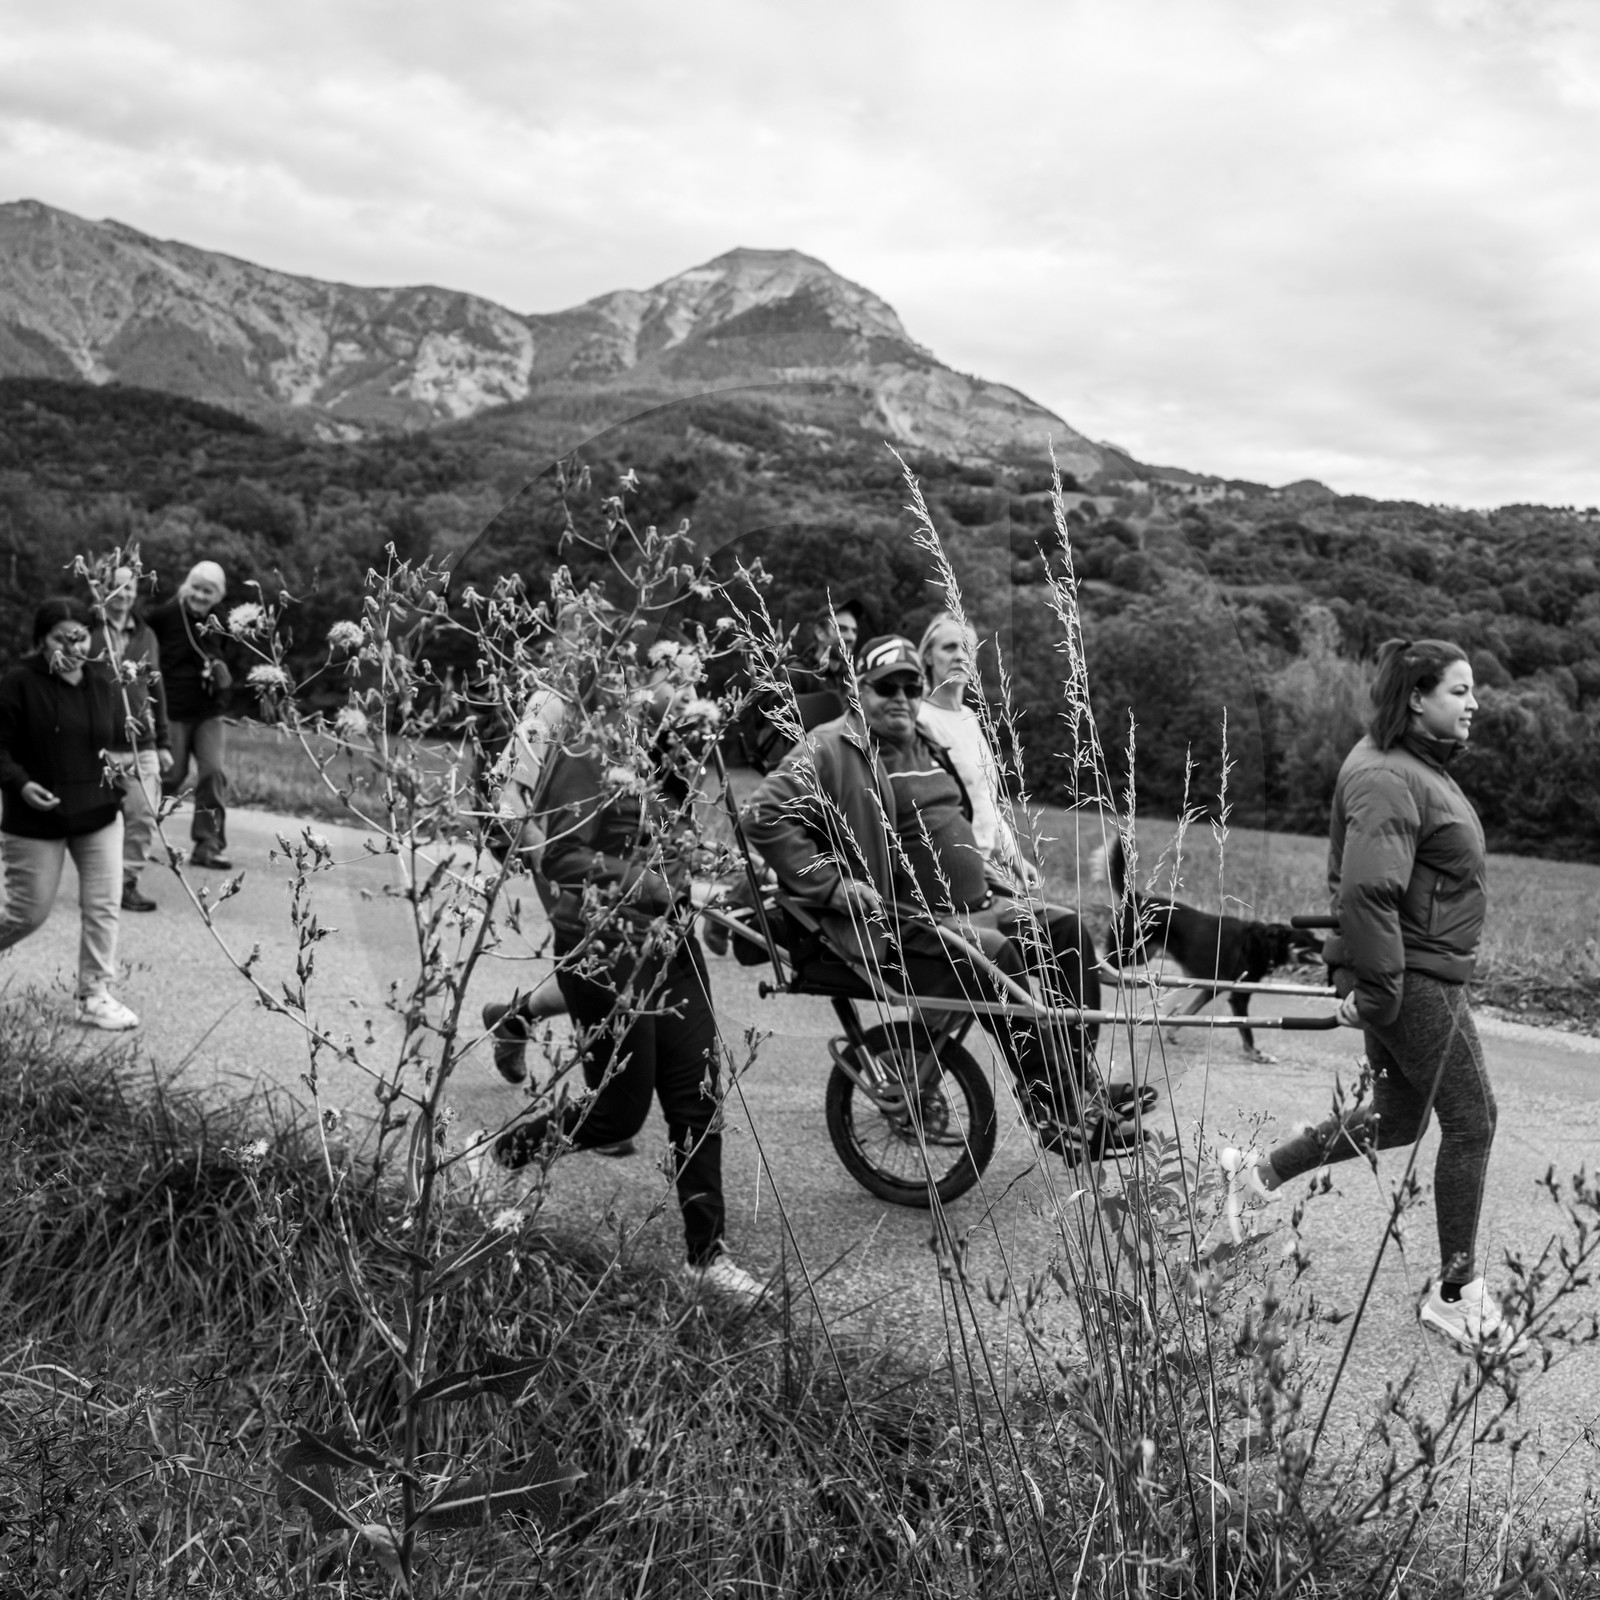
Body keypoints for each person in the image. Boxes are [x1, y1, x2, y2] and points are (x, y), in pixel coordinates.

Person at [745, 635, 1146, 1156]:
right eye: (886, 686)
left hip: (983, 903)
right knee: (995, 955)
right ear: (857, 688)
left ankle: (1079, 1084)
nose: (901, 696)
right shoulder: (831, 746)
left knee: (1066, 928)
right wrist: (831, 884)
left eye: (912, 686)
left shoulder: (928, 745)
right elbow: (763, 814)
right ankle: (1051, 1107)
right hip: (911, 920)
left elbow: (956, 824)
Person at [1220, 639, 1509, 1353]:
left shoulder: (1409, 768)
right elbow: (1366, 892)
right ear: (1416, 696)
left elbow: (1386, 888)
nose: (1474, 704)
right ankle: (1456, 1293)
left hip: (1410, 971)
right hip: (1413, 978)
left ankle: (1259, 1173)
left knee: (1403, 1117)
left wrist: (1369, 983)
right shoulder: (1389, 775)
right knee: (1472, 1122)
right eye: (1460, 691)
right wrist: (1377, 990)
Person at [489, 638, 766, 1302]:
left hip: (669, 949)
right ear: (640, 683)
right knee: (617, 1115)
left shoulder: (673, 761)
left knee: (699, 1094)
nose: (691, 694)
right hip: (599, 948)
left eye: (697, 683)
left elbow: (677, 853)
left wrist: (717, 881)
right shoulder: (593, 751)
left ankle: (706, 1253)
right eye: (676, 679)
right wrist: (652, 886)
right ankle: (499, 1155)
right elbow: (559, 855)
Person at [0, 598, 139, 1030]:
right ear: (43, 640)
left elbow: (116, 738)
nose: (73, 645)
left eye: (80, 636)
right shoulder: (19, 682)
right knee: (29, 911)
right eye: (62, 636)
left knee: (103, 907)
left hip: (98, 813)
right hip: (36, 817)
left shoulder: (102, 681)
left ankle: (93, 995)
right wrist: (21, 783)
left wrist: (124, 765)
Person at [916, 611, 1039, 888]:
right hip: (955, 869)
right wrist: (974, 865)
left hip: (991, 865)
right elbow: (932, 812)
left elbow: (986, 801)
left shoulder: (970, 717)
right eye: (949, 647)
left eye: (967, 648)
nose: (960, 656)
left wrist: (1014, 855)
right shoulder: (919, 719)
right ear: (927, 656)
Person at [92, 566, 173, 912]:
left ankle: (127, 883)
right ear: (101, 590)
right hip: (98, 744)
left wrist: (164, 741)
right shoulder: (88, 632)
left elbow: (157, 687)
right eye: (115, 587)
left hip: (142, 743)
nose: (123, 594)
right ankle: (96, 880)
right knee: (94, 819)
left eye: (129, 587)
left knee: (144, 815)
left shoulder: (147, 635)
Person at [149, 561, 234, 869]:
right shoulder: (164, 616)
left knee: (213, 773)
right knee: (172, 774)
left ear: (218, 595)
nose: (200, 595)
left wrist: (220, 675)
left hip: (209, 710)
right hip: (171, 707)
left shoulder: (222, 620)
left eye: (207, 591)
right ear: (186, 586)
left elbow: (227, 654)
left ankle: (208, 846)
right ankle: (136, 832)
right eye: (195, 588)